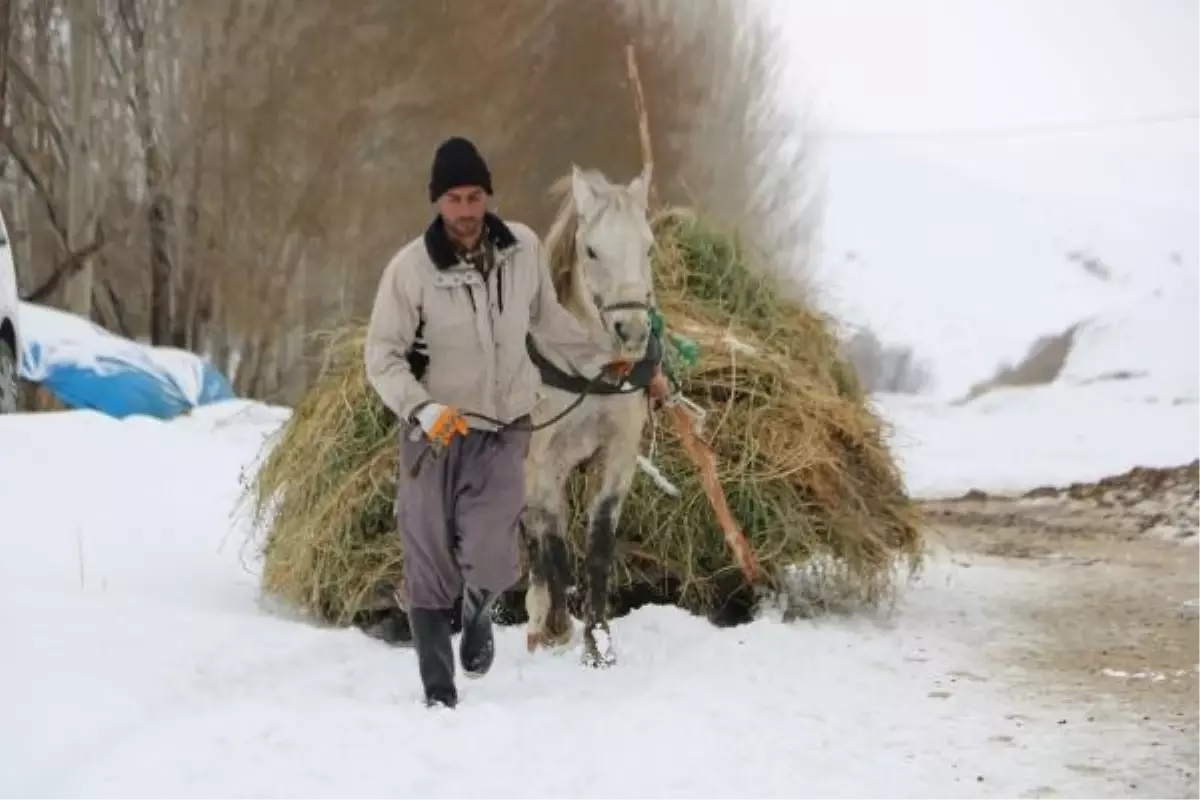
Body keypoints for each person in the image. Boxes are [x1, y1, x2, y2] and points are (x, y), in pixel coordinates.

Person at [364, 136, 668, 708]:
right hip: (436, 433)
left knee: (495, 557)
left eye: (474, 196)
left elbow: (548, 321)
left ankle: (478, 611)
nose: (465, 209)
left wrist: (601, 358)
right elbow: (381, 356)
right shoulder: (410, 270)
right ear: (438, 202)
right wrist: (421, 408)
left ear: (487, 196)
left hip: (504, 430)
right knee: (429, 560)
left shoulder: (522, 249)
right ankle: (439, 692)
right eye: (453, 198)